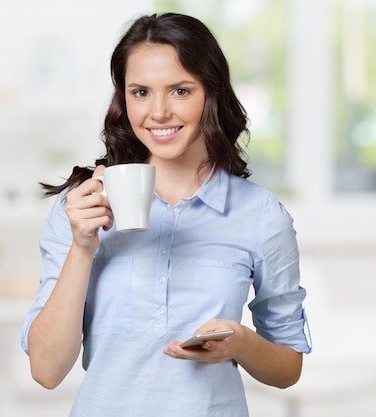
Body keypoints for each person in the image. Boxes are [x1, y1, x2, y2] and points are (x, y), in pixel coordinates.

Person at [20, 12, 311, 417]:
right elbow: (46, 370)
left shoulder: (259, 214)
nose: (157, 112)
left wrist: (241, 343)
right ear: (123, 99)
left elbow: (287, 369)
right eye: (140, 92)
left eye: (179, 90)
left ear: (212, 94)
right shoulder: (83, 207)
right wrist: (82, 248)